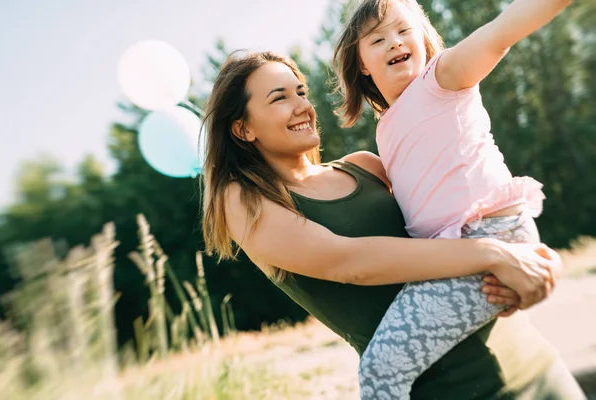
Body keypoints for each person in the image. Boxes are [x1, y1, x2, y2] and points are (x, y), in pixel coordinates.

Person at [201, 50, 583, 399]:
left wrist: (532, 259)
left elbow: (466, 210)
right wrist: (492, 254)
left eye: (300, 92)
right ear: (243, 129)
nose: (302, 105)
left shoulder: (367, 165)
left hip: (537, 370)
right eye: (279, 97)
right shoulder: (243, 201)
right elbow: (349, 263)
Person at [332, 0, 584, 398]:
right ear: (361, 63)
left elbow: (501, 34)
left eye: (403, 30)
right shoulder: (386, 127)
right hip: (461, 251)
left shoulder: (442, 77)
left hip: (490, 235)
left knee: (382, 369)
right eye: (377, 39)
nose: (394, 42)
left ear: (422, 36)